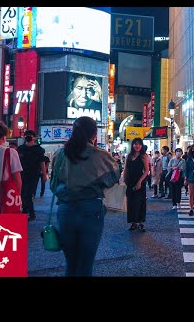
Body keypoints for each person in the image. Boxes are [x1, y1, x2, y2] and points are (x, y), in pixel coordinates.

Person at [51, 116, 119, 277]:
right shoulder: (100, 155)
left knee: (71, 263)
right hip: (91, 209)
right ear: (94, 134)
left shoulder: (61, 154)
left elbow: (53, 184)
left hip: (66, 209)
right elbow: (113, 177)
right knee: (86, 263)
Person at [17, 130, 48, 221]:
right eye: (26, 135)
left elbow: (42, 162)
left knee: (28, 194)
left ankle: (26, 213)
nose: (28, 137)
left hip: (34, 175)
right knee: (23, 194)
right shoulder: (20, 148)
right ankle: (30, 213)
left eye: (29, 136)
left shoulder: (38, 149)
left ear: (34, 137)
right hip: (22, 174)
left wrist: (44, 175)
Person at [123, 138, 150, 232]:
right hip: (130, 181)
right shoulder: (128, 156)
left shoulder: (144, 156)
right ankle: (133, 223)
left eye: (139, 144)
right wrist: (124, 180)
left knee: (140, 202)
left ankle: (141, 223)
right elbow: (126, 169)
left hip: (140, 180)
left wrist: (139, 182)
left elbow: (147, 170)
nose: (137, 146)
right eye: (135, 144)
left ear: (141, 145)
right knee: (130, 202)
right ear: (132, 145)